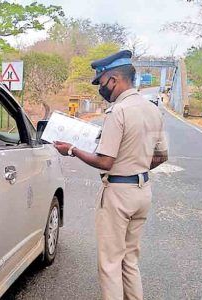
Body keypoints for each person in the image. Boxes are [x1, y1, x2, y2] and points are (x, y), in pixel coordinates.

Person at [53, 50, 168, 300]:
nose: (102, 89)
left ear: (114, 79)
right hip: (142, 192)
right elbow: (160, 157)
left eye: (102, 83)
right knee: (130, 261)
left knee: (110, 263)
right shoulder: (152, 110)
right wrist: (136, 166)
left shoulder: (119, 112)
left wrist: (72, 149)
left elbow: (105, 161)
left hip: (118, 194)